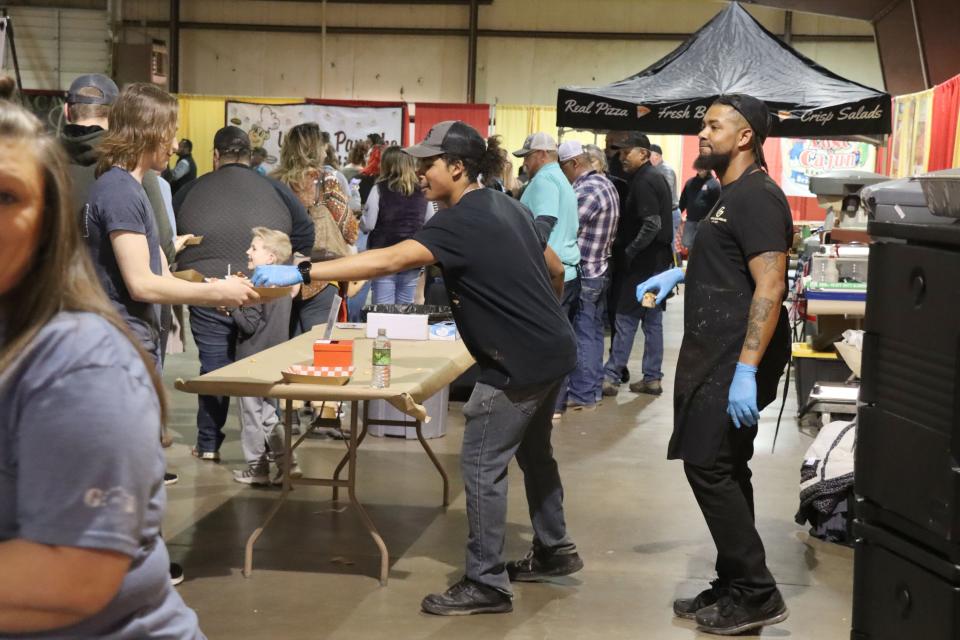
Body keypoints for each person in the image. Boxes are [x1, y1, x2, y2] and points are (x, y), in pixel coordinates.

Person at [251, 120, 583, 616]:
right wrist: (542, 318)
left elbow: (388, 261)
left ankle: (487, 583)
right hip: (553, 350)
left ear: (458, 167)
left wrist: (303, 271)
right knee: (534, 454)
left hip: (516, 363)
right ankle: (555, 548)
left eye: (428, 164)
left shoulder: (460, 219)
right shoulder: (507, 205)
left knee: (480, 460)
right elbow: (555, 268)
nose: (419, 172)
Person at [0, 98, 205, 639]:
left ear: (47, 222)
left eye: (6, 196)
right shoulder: (123, 189)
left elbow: (71, 577)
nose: (175, 142)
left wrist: (212, 292)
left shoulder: (84, 368)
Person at [637, 94, 792, 636]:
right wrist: (680, 275)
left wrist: (748, 369)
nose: (702, 132)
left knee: (709, 465)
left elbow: (770, 284)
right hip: (716, 351)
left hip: (734, 357)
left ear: (745, 135)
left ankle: (757, 592)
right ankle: (733, 582)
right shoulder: (726, 195)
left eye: (712, 124)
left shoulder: (756, 197)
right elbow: (735, 264)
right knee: (726, 464)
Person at [174, 125, 314, 461]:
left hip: (210, 289)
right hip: (262, 290)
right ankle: (271, 448)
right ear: (250, 156)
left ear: (216, 156)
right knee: (265, 367)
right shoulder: (275, 189)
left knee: (214, 367)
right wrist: (292, 270)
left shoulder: (191, 189)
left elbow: (169, 231)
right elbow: (305, 231)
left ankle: (208, 444)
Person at [513, 132, 581, 418]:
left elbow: (543, 223)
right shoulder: (561, 179)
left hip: (550, 274)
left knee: (542, 344)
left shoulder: (543, 181)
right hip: (566, 270)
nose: (525, 163)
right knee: (557, 340)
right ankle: (553, 402)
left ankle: (545, 405)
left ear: (541, 154)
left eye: (527, 157)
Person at [602, 132, 673, 397]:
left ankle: (610, 377)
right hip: (656, 264)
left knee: (626, 316)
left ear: (642, 153)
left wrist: (630, 252)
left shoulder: (644, 181)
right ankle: (652, 378)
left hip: (643, 267)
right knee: (651, 319)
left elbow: (652, 224)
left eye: (625, 153)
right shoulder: (654, 177)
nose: (621, 159)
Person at [231, 227, 302, 485]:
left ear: (271, 258)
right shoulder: (285, 286)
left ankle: (257, 468)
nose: (248, 251)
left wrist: (232, 304)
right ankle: (287, 463)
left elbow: (249, 326)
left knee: (251, 415)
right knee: (270, 415)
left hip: (251, 359)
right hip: (274, 358)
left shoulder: (258, 286)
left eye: (254, 248)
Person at [269, 122, 354, 336]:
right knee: (318, 346)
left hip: (279, 275)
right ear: (315, 149)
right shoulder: (326, 180)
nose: (326, 150)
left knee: (283, 346)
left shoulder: (272, 181)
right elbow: (349, 229)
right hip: (320, 278)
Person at [557, 140, 620, 411]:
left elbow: (568, 227)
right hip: (598, 269)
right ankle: (590, 390)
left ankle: (583, 393)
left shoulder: (589, 189)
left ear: (576, 164)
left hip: (586, 272)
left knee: (583, 334)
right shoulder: (604, 184)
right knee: (592, 333)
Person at [362, 145, 429, 304]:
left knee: (384, 308)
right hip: (412, 256)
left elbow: (369, 224)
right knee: (406, 307)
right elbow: (430, 221)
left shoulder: (379, 188)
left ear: (386, 164)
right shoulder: (422, 191)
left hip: (383, 255)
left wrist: (360, 222)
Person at [678, 155, 721, 251]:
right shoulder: (690, 182)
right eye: (699, 168)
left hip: (706, 223)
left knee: (703, 248)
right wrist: (679, 212)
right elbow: (683, 200)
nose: (700, 170)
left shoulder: (714, 184)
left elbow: (719, 205)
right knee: (687, 246)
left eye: (703, 168)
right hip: (690, 220)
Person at [649, 143, 681, 263]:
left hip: (670, 213)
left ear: (657, 156)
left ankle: (674, 272)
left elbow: (665, 193)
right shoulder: (658, 169)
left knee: (671, 246)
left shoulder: (666, 170)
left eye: (650, 155)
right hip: (666, 212)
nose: (648, 158)